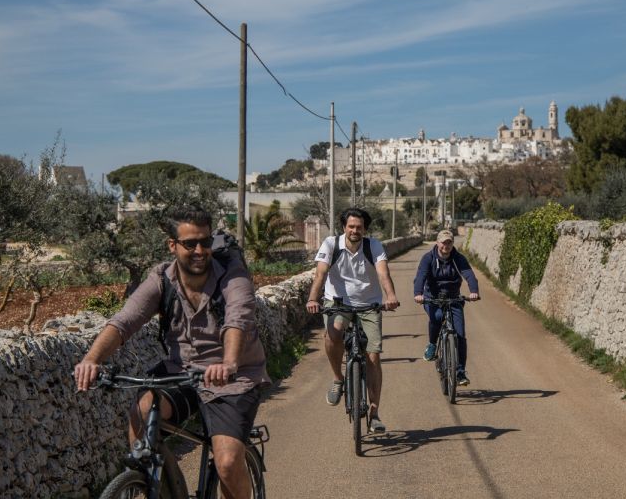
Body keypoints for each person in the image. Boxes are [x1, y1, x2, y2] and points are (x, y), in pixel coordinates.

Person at [74, 204, 270, 499]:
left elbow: (237, 319)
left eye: (205, 242)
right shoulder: (161, 280)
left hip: (233, 377)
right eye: (190, 244)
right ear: (173, 245)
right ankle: (164, 487)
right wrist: (91, 360)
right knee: (141, 417)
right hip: (182, 372)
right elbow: (125, 321)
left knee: (228, 463)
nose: (200, 251)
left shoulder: (233, 276)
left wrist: (228, 362)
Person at [305, 207, 400, 433]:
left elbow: (383, 273)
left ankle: (375, 413)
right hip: (337, 301)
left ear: (365, 229)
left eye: (359, 227)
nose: (354, 231)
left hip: (369, 304)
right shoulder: (330, 244)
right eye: (351, 227)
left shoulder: (373, 246)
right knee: (333, 334)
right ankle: (338, 379)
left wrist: (391, 296)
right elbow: (320, 274)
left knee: (373, 356)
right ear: (344, 228)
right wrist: (312, 298)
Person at [413, 229, 480, 386]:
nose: (446, 246)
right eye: (444, 242)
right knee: (436, 317)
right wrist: (418, 293)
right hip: (432, 298)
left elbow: (469, 274)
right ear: (438, 243)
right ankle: (432, 344)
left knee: (460, 335)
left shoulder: (458, 258)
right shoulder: (428, 258)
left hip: (453, 297)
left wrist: (474, 291)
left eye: (449, 242)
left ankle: (460, 371)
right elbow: (421, 276)